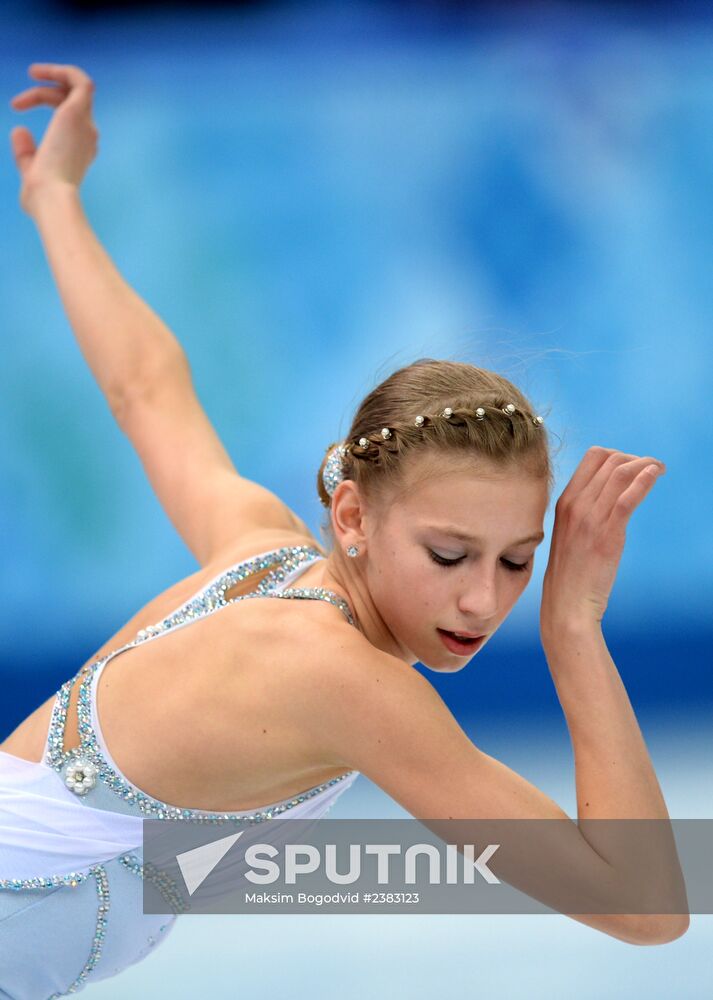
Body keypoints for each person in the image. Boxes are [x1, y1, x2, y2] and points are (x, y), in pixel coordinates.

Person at [1, 61, 687, 997]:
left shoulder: (261, 551)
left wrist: (56, 200)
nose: (483, 599)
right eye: (447, 555)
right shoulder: (338, 677)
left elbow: (145, 387)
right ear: (353, 514)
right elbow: (643, 904)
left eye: (520, 562)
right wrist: (571, 631)